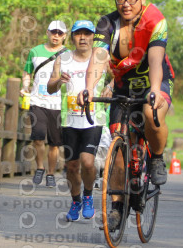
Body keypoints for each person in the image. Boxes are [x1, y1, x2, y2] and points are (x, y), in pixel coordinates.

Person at [78, 0, 175, 230]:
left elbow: (155, 59)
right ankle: (117, 209)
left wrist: (155, 90)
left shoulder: (155, 20)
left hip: (156, 80)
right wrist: (88, 88)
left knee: (150, 112)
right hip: (124, 85)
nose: (126, 4)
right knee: (119, 152)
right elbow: (98, 57)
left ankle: (156, 157)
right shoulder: (106, 24)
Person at [46, 20, 112, 221]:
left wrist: (111, 87)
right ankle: (76, 201)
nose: (83, 38)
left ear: (93, 36)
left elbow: (118, 76)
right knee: (72, 166)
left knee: (88, 161)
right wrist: (59, 81)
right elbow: (50, 87)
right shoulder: (63, 58)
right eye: (78, 34)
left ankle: (88, 195)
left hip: (94, 119)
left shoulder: (101, 57)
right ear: (72, 37)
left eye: (87, 33)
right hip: (70, 121)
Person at [21, 20, 67, 187]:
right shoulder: (35, 51)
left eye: (60, 33)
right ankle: (40, 167)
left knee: (55, 142)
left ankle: (51, 173)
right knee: (38, 137)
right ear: (47, 32)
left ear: (65, 36)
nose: (56, 35)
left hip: (58, 103)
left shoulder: (68, 54)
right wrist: (25, 86)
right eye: (53, 32)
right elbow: (27, 72)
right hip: (37, 100)